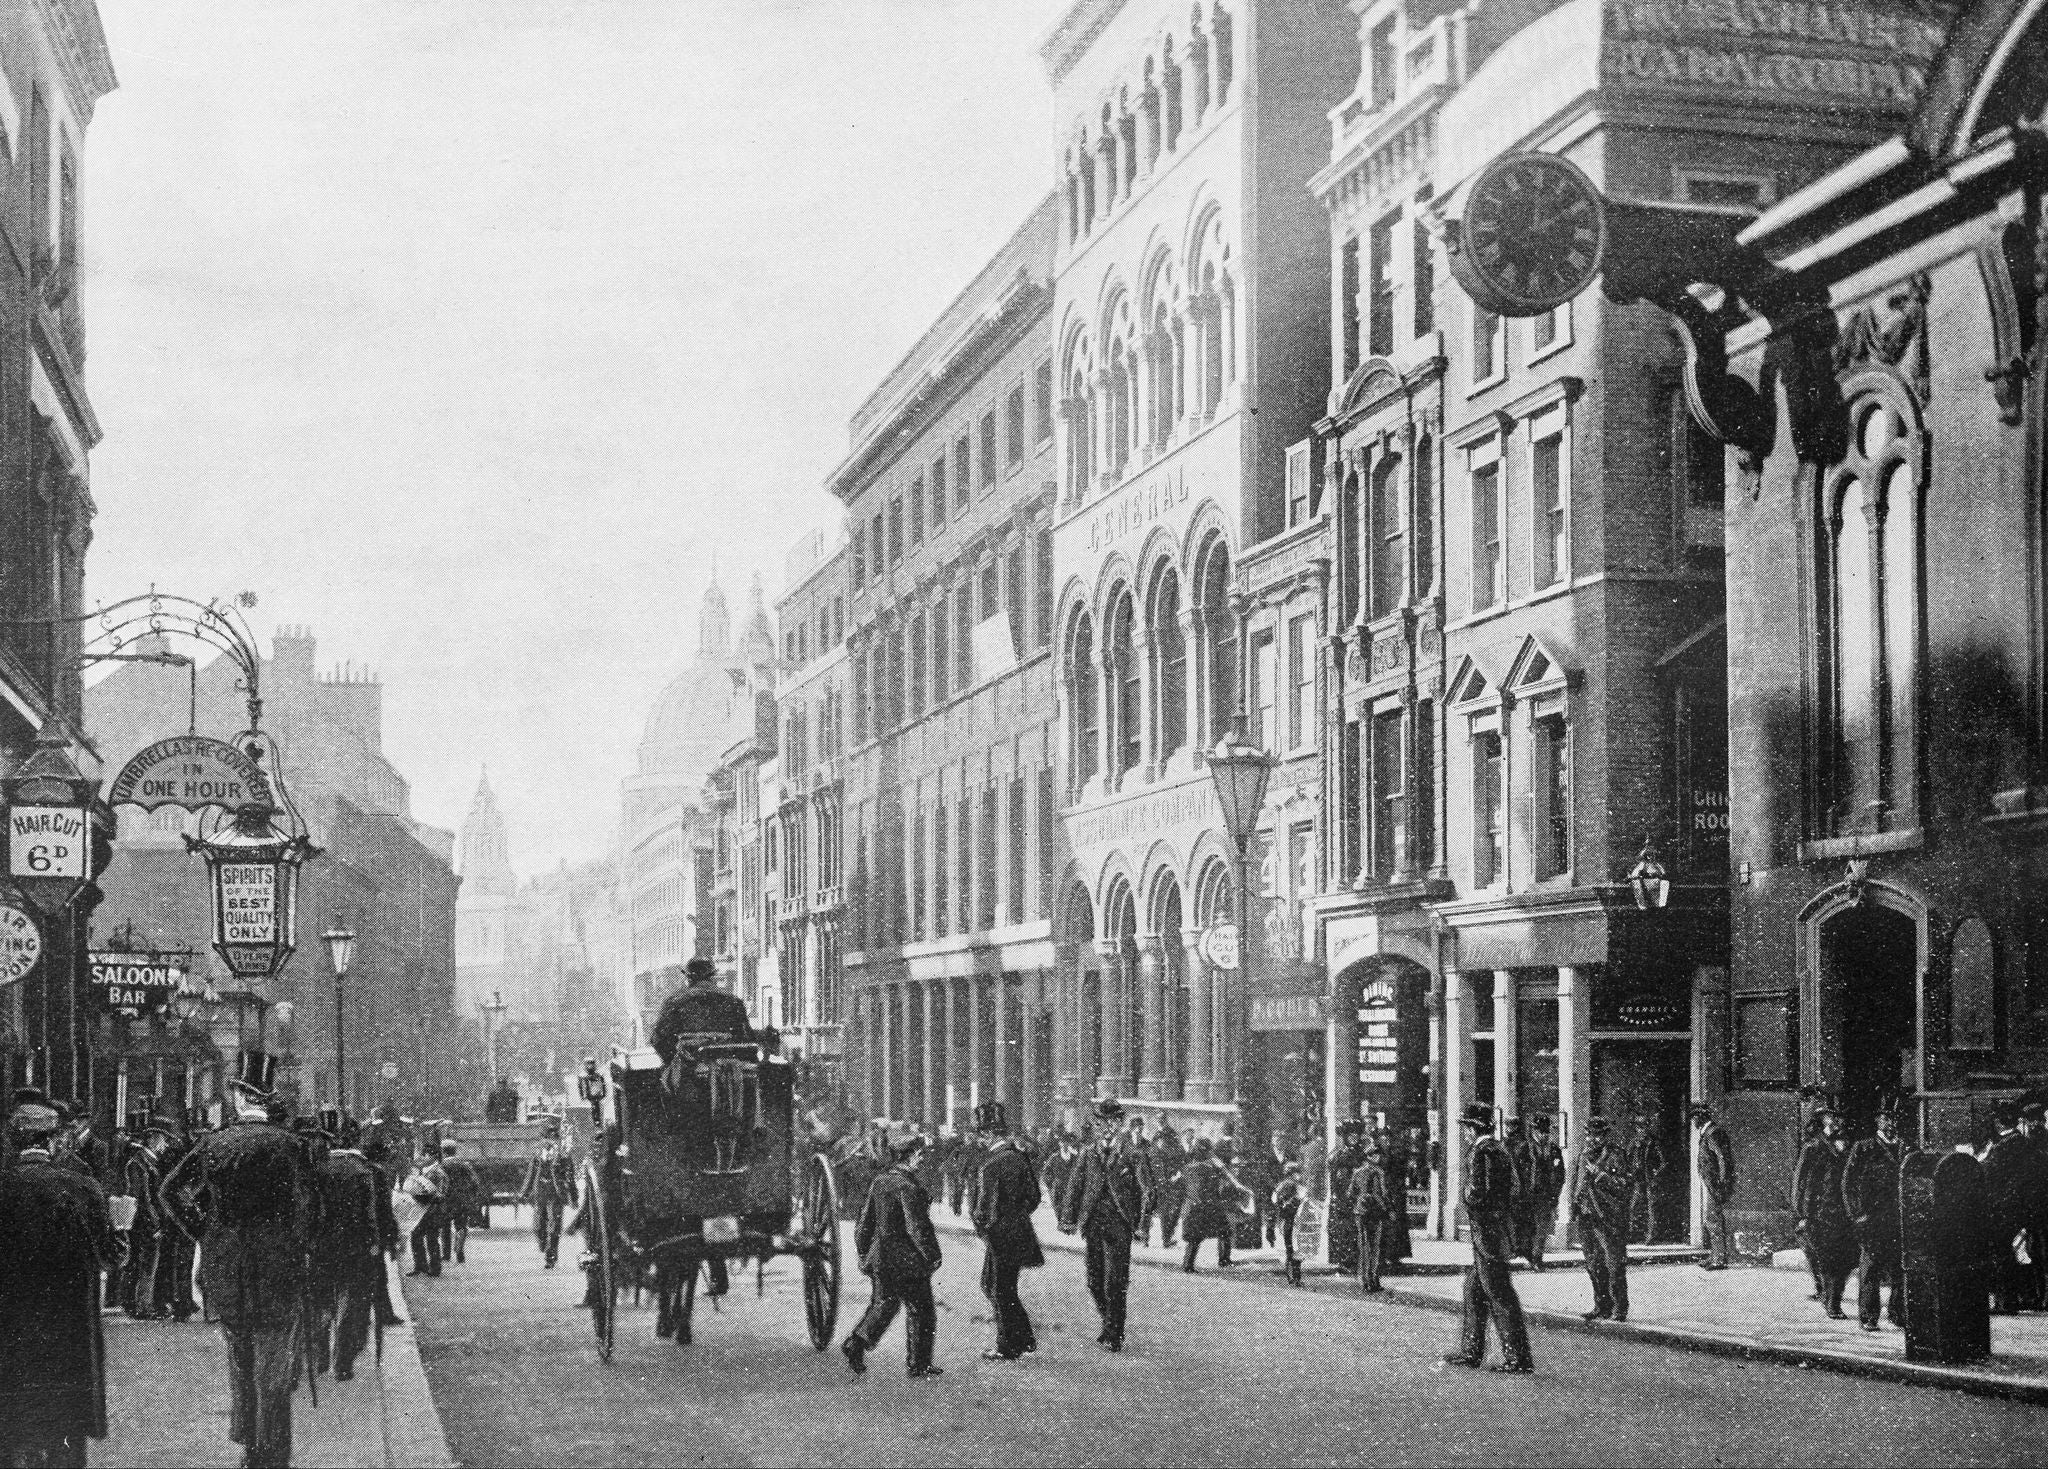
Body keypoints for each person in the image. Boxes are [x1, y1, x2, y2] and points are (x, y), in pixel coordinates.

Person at [158, 1055, 317, 1469]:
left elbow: (170, 1192)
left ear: (240, 1097)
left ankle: (249, 1446)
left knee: (241, 1359)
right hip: (278, 1267)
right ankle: (273, 1453)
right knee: (274, 1363)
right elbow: (311, 1208)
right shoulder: (290, 1145)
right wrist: (295, 1242)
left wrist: (206, 1234)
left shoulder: (214, 1144)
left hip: (227, 1267)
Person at [0, 1099, 122, 1468]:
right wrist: (123, 1229)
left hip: (12, 1330)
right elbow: (110, 1257)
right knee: (65, 1434)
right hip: (67, 1331)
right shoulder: (82, 1187)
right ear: (55, 1142)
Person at [1440, 1104, 1533, 1374]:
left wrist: (1470, 1199)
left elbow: (1484, 1191)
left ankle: (1518, 1358)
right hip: (1490, 1231)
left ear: (1473, 1128)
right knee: (1473, 1289)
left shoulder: (1485, 1151)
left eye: (1466, 1128)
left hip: (1489, 1232)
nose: (1465, 1133)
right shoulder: (1496, 1149)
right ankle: (1471, 1352)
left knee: (1499, 1293)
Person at [842, 1133, 943, 1379]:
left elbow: (865, 1223)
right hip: (907, 1260)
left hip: (882, 1258)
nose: (921, 1160)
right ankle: (918, 1363)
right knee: (922, 1310)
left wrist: (865, 1251)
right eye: (919, 1155)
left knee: (884, 1305)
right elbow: (916, 1227)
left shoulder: (879, 1182)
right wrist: (932, 1255)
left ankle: (856, 1342)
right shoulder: (908, 1187)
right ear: (908, 1158)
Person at [1059, 1099, 1150, 1352]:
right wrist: (1067, 1218)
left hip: (1120, 1226)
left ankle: (1115, 1332)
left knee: (1116, 1283)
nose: (1107, 1128)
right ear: (1095, 1126)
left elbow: (1148, 1192)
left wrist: (1142, 1225)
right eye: (1101, 1123)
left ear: (1120, 1124)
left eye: (1112, 1122)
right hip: (1093, 1225)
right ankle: (1108, 1322)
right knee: (1094, 1282)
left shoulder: (1133, 1155)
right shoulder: (1088, 1153)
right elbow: (1074, 1187)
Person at [314, 1119, 393, 1382]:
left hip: (322, 1245)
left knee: (322, 1299)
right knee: (352, 1302)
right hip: (356, 1245)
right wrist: (382, 1240)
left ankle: (320, 1351)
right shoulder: (368, 1171)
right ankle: (343, 1361)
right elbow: (376, 1212)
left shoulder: (316, 1169)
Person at [970, 1102, 1042, 1362]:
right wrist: (1015, 1216)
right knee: (998, 1286)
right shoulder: (1020, 1159)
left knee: (998, 1288)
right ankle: (1023, 1337)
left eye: (981, 1134)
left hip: (999, 1237)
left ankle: (1007, 1345)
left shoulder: (990, 1165)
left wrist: (985, 1229)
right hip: (1019, 1233)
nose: (979, 1139)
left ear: (988, 1135)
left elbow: (982, 1211)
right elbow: (1034, 1198)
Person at [1842, 1100, 1907, 1332]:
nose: (1891, 1122)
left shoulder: (1904, 1148)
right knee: (1870, 1268)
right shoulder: (1864, 1147)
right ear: (1877, 1122)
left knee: (1901, 1267)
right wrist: (1856, 1214)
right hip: (1872, 1219)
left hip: (1898, 1218)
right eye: (1885, 1118)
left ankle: (1898, 1313)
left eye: (1893, 1118)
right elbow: (1848, 1183)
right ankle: (1869, 1316)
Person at [1792, 1099, 1857, 1319]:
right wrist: (1801, 1214)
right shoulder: (1812, 1147)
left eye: (1837, 1116)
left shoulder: (1847, 1145)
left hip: (1844, 1213)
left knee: (1845, 1260)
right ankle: (1832, 1303)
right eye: (1831, 1116)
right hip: (1819, 1213)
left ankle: (1829, 1296)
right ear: (1821, 1121)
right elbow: (1799, 1183)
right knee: (1830, 1259)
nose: (1836, 1120)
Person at [1570, 1116, 1633, 1325]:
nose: (1593, 1139)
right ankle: (1601, 1305)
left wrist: (1600, 1175)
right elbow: (1576, 1182)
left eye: (1597, 1135)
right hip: (1586, 1216)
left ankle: (1620, 1307)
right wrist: (1575, 1205)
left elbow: (1624, 1185)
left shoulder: (1616, 1155)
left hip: (1608, 1217)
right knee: (1593, 1263)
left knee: (1614, 1263)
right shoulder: (1583, 1154)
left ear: (1605, 1135)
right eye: (1590, 1134)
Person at [1984, 1104, 2035, 1314]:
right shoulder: (2021, 1142)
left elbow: (1988, 1170)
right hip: (2018, 1206)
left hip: (2003, 1207)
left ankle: (2005, 1301)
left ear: (1998, 1122)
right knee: (2009, 1251)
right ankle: (2011, 1299)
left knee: (2001, 1251)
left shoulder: (2005, 1145)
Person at [651, 957, 752, 1063]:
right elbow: (746, 1039)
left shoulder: (674, 1002)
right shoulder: (733, 1002)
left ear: (689, 978)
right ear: (713, 977)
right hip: (726, 1071)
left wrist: (674, 1060)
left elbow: (658, 1040)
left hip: (686, 1071)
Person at [123, 1123, 173, 1319]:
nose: (166, 1145)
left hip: (146, 1221)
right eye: (164, 1139)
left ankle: (140, 1304)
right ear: (152, 1138)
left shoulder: (148, 1161)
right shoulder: (138, 1163)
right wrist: (155, 1224)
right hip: (144, 1223)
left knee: (144, 1264)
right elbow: (143, 1199)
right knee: (145, 1264)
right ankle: (142, 1307)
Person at [520, 1115, 577, 1269]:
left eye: (553, 1137)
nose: (550, 1141)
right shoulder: (538, 1155)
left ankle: (550, 1256)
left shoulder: (564, 1155)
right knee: (538, 1226)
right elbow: (531, 1174)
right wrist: (524, 1193)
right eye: (547, 1137)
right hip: (540, 1193)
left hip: (557, 1194)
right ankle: (544, 1245)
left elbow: (570, 1177)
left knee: (555, 1226)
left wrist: (574, 1197)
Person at [1174, 1136, 1234, 1272]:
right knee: (1224, 1231)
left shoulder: (1187, 1168)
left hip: (1191, 1206)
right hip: (1208, 1207)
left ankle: (1188, 1265)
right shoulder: (1211, 1169)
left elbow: (1178, 1184)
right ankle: (1224, 1259)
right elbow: (1221, 1185)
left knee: (1194, 1238)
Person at [1691, 1104, 1736, 1271]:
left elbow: (1722, 1159)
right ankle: (1715, 1255)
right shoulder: (1707, 1132)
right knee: (1711, 1219)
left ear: (1701, 1117)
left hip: (1714, 1183)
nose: (1693, 1121)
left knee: (1713, 1219)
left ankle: (1719, 1259)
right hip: (1710, 1182)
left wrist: (1721, 1182)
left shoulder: (1713, 1132)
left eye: (1695, 1117)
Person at [1347, 1133, 1394, 1293]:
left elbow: (1350, 1193)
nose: (1379, 1157)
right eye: (1377, 1155)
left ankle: (1365, 1280)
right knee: (1375, 1247)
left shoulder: (1357, 1172)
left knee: (1363, 1246)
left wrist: (1360, 1199)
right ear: (1372, 1156)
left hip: (1360, 1211)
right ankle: (1373, 1279)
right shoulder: (1378, 1172)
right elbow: (1383, 1193)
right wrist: (1389, 1209)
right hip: (1375, 1211)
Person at [1523, 1116, 1565, 1272]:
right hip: (1528, 1196)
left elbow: (1560, 1173)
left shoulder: (1554, 1150)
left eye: (1546, 1132)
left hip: (1546, 1196)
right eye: (1541, 1131)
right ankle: (1529, 1256)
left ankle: (1537, 1259)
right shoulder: (1525, 1148)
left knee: (1542, 1229)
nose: (1544, 1135)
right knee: (1529, 1228)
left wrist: (1556, 1194)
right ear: (1534, 1131)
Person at [1325, 1121, 1364, 1274]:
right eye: (1351, 1136)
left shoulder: (1361, 1153)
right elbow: (1334, 1177)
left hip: (1356, 1196)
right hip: (1341, 1197)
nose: (1354, 1139)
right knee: (1343, 1231)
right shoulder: (1338, 1153)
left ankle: (1355, 1260)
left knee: (1356, 1230)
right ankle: (1344, 1260)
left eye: (1356, 1136)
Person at [1627, 1111, 1670, 1245]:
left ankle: (1652, 1236)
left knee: (1652, 1208)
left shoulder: (1654, 1142)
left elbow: (1664, 1162)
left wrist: (1655, 1174)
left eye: (1643, 1126)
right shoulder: (1634, 1142)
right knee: (1634, 1206)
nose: (1641, 1129)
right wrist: (1629, 1171)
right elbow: (1627, 1158)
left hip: (1650, 1179)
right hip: (1638, 1179)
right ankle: (1633, 1234)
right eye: (1638, 1126)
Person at [437, 1141, 482, 1266]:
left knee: (445, 1227)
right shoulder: (464, 1164)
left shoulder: (442, 1165)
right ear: (454, 1151)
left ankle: (446, 1254)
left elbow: (438, 1183)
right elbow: (475, 1182)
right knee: (461, 1226)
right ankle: (459, 1251)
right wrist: (471, 1195)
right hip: (462, 1200)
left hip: (446, 1201)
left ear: (444, 1151)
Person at [404, 1150, 446, 1278]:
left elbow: (440, 1194)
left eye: (425, 1155)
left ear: (433, 1157)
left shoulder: (437, 1173)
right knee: (421, 1236)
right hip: (426, 1209)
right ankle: (426, 1266)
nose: (422, 1158)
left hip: (431, 1209)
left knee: (429, 1238)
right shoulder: (429, 1171)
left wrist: (422, 1196)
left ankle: (430, 1267)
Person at [1270, 1161, 1307, 1287]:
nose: (1299, 1175)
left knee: (1289, 1249)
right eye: (1297, 1173)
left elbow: (1274, 1200)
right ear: (1293, 1173)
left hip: (1283, 1220)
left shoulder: (1280, 1186)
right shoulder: (1293, 1185)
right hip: (1291, 1219)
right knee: (1293, 1249)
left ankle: (1291, 1277)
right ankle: (1295, 1277)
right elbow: (1298, 1201)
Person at [1151, 1126, 1187, 1250]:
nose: (1162, 1142)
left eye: (1164, 1139)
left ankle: (1168, 1234)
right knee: (1164, 1213)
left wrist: (1177, 1175)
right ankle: (1166, 1239)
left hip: (1174, 1184)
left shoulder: (1175, 1150)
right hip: (1159, 1186)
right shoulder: (1152, 1151)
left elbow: (1182, 1165)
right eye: (1160, 1140)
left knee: (1176, 1211)